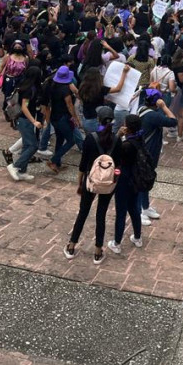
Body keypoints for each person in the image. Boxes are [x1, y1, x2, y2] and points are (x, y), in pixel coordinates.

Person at [64, 106, 119, 264]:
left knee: (83, 212)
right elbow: (118, 166)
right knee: (101, 215)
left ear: (98, 119)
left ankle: (71, 245)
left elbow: (83, 164)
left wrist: (80, 182)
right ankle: (97, 251)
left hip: (91, 180)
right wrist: (114, 180)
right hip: (108, 184)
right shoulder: (116, 140)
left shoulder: (90, 138)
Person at [138, 89, 177, 225]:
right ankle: (139, 212)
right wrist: (164, 106)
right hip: (147, 153)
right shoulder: (152, 116)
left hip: (148, 151)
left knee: (146, 181)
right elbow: (173, 121)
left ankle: (145, 206)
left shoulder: (142, 108)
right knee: (142, 182)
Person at [107, 113, 144, 254]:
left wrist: (117, 136)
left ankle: (116, 242)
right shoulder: (140, 139)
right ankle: (138, 237)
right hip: (136, 179)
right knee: (134, 208)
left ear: (127, 128)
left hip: (124, 180)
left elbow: (111, 155)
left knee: (121, 211)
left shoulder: (126, 145)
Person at [7, 65, 43, 182]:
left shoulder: (23, 85)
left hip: (22, 119)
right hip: (24, 120)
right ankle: (16, 166)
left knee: (27, 145)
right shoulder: (29, 89)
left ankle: (22, 171)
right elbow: (24, 107)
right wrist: (34, 121)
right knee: (33, 145)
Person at [45, 65, 80, 174]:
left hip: (54, 116)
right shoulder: (65, 89)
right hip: (62, 117)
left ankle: (57, 163)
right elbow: (69, 105)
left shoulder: (52, 85)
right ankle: (54, 160)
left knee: (60, 139)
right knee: (71, 140)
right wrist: (75, 118)